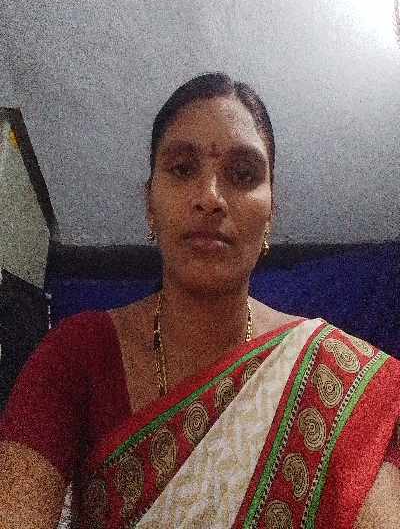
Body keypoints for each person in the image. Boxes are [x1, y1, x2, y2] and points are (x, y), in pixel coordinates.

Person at [0, 72, 399, 528]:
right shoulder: (78, 354)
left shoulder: (333, 380)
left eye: (242, 175)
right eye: (183, 169)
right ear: (150, 204)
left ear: (271, 212)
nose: (210, 198)